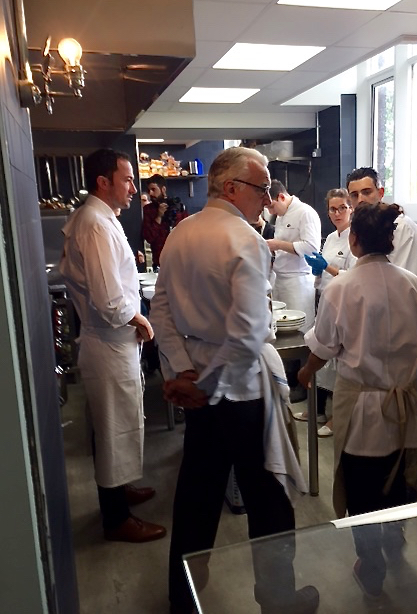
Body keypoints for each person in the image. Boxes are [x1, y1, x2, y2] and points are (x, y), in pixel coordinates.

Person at [150, 147, 318, 614]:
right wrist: (204, 384)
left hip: (200, 380)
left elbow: (161, 309)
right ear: (232, 188)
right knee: (269, 499)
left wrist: (183, 370)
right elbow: (249, 332)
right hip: (241, 389)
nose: (267, 198)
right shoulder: (244, 238)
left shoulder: (181, 233)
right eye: (261, 188)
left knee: (197, 495)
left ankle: (182, 599)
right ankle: (278, 600)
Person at [298, 202, 417, 600]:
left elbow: (324, 345)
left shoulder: (342, 287)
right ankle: (395, 539)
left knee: (363, 490)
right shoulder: (411, 283)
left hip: (362, 409)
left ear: (353, 240)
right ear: (389, 241)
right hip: (403, 403)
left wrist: (305, 372)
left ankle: (371, 569)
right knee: (398, 477)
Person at [59, 149, 166, 544]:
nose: (135, 188)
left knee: (119, 423)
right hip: (108, 342)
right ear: (103, 182)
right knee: (113, 428)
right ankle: (116, 518)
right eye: (127, 179)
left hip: (111, 341)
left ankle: (120, 487)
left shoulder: (101, 218)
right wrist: (140, 319)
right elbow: (108, 298)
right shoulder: (95, 224)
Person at [295, 188, 356, 433]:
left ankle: (336, 417)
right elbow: (324, 272)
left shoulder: (355, 238)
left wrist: (327, 267)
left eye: (342, 208)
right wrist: (317, 270)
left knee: (338, 361)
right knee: (321, 354)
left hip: (346, 304)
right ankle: (318, 410)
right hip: (326, 299)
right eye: (333, 209)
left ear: (351, 209)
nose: (337, 213)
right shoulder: (330, 237)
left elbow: (355, 277)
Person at [266, 180, 321, 332]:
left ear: (281, 197)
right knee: (279, 328)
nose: (271, 212)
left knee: (299, 329)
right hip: (279, 279)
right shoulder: (280, 216)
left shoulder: (305, 212)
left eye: (272, 206)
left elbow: (311, 248)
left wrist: (278, 244)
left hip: (298, 281)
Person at [346, 167, 417, 276]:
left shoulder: (401, 226)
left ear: (380, 193)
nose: (360, 200)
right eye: (354, 195)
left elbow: (399, 278)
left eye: (367, 192)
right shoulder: (358, 227)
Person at [141, 174, 188, 270]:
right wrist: (159, 216)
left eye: (153, 189)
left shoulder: (177, 207)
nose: (150, 193)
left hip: (180, 261)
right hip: (159, 262)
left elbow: (188, 232)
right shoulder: (148, 210)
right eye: (149, 190)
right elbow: (149, 237)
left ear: (163, 189)